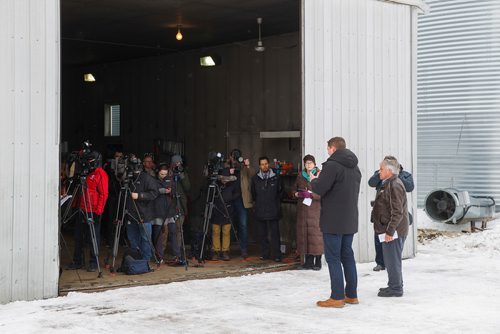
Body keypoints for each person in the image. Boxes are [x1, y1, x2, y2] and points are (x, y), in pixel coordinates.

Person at [309, 137, 361, 308]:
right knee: (347, 256)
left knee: (333, 258)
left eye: (328, 148)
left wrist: (313, 179)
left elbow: (320, 188)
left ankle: (337, 297)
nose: (327, 151)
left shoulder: (332, 165)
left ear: (332, 148)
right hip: (350, 219)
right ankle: (351, 295)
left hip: (333, 220)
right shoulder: (355, 167)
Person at [371, 156, 409, 297]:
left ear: (389, 171)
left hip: (394, 230)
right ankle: (394, 284)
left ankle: (396, 288)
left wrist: (390, 231)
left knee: (392, 260)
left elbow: (397, 212)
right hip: (389, 229)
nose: (378, 172)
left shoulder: (395, 184)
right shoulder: (388, 183)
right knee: (391, 259)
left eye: (381, 169)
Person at [368, 156, 414, 271]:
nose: (380, 171)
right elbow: (371, 182)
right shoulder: (380, 173)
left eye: (382, 168)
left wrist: (394, 176)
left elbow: (410, 187)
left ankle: (394, 277)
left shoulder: (402, 177)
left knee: (393, 247)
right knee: (379, 240)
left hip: (393, 215)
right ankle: (380, 262)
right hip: (381, 215)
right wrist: (380, 174)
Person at [68, 150, 109, 272]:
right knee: (78, 236)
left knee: (93, 237)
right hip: (82, 208)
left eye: (90, 161)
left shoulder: (100, 173)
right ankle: (78, 261)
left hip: (93, 210)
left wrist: (99, 212)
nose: (88, 164)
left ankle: (93, 262)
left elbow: (104, 194)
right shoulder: (83, 173)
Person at [125, 155, 159, 261]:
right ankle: (135, 258)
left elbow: (154, 193)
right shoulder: (128, 179)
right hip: (131, 214)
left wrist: (139, 196)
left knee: (145, 238)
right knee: (132, 238)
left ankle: (146, 260)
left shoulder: (147, 178)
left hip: (144, 214)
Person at [251, 156, 284, 262]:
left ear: (268, 164)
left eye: (266, 164)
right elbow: (253, 194)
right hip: (260, 209)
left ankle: (277, 255)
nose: (264, 166)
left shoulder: (276, 177)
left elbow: (281, 192)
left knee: (275, 234)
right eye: (262, 164)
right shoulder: (255, 178)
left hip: (273, 209)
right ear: (259, 165)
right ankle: (265, 254)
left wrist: (276, 203)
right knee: (262, 234)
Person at [294, 154, 323, 270]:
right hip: (303, 211)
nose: (308, 165)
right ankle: (308, 262)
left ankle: (318, 261)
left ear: (315, 164)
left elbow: (323, 193)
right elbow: (293, 189)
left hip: (316, 210)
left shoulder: (320, 175)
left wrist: (311, 195)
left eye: (310, 163)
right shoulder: (300, 176)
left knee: (316, 236)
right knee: (305, 236)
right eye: (306, 163)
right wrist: (297, 194)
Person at [228, 149, 255, 258]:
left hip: (241, 200)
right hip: (228, 199)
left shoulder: (244, 167)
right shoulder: (227, 166)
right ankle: (225, 249)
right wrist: (228, 170)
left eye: (236, 157)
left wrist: (247, 165)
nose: (234, 159)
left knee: (243, 225)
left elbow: (253, 174)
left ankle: (243, 249)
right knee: (227, 224)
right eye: (233, 157)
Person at [211, 168, 239, 260]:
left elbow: (237, 193)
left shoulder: (233, 185)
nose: (224, 180)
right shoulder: (216, 184)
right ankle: (216, 251)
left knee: (226, 231)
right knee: (216, 231)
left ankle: (225, 251)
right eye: (223, 177)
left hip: (228, 209)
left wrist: (230, 198)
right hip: (216, 210)